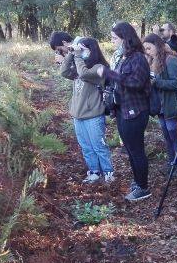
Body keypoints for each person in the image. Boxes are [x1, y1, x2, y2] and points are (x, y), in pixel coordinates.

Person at [96, 22, 152, 202]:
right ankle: (138, 182)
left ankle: (143, 188)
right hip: (123, 110)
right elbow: (119, 82)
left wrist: (109, 74)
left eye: (114, 38)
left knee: (137, 150)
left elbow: (136, 83)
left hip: (135, 112)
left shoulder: (138, 58)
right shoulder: (124, 57)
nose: (111, 41)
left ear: (125, 38)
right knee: (129, 149)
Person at [59, 37, 115, 184]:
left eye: (83, 49)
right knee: (86, 147)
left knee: (98, 146)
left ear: (92, 50)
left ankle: (108, 173)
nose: (80, 52)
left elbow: (84, 74)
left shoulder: (99, 67)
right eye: (80, 49)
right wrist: (71, 53)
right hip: (78, 114)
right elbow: (64, 72)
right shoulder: (80, 65)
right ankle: (94, 172)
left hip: (93, 115)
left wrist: (77, 56)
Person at [143, 34, 177, 174]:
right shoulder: (153, 61)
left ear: (157, 45)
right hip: (160, 106)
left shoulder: (171, 60)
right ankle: (172, 163)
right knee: (167, 135)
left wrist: (156, 82)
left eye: (149, 48)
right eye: (146, 49)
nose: (147, 51)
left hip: (171, 105)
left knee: (174, 135)